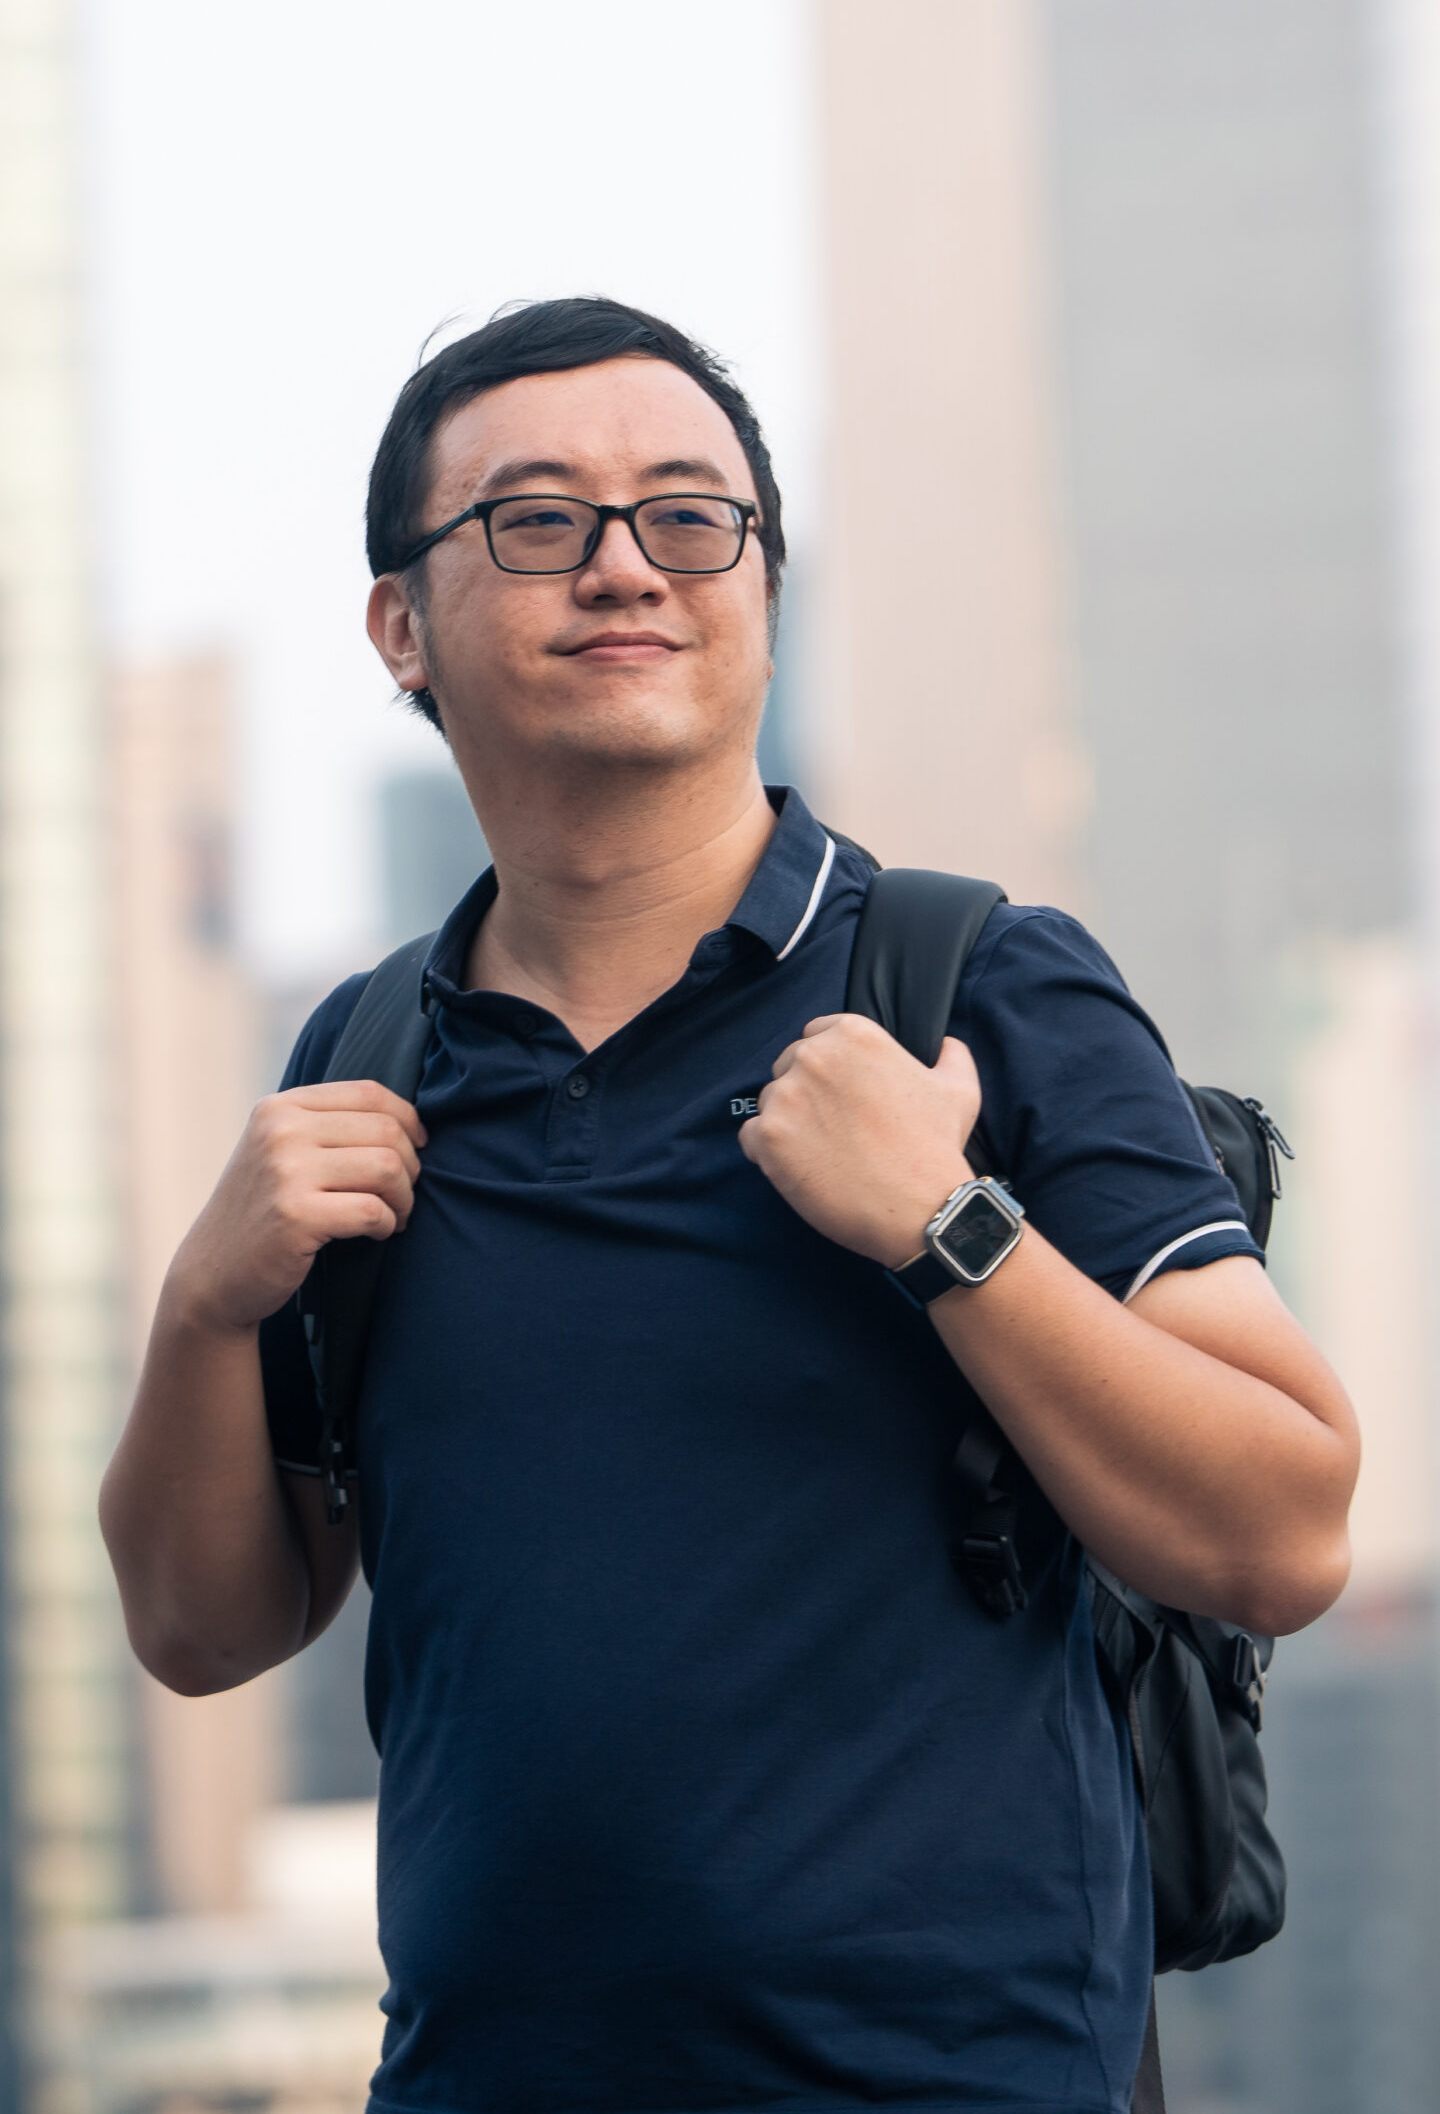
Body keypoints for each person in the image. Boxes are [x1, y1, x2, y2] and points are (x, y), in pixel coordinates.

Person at [101, 297, 1359, 2114]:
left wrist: (948, 1224)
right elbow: (203, 1629)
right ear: (401, 626)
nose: (626, 565)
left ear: (765, 588)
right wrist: (204, 1305)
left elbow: (1285, 1532)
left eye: (691, 517)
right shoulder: (363, 1059)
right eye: (538, 521)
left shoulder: (979, 990)